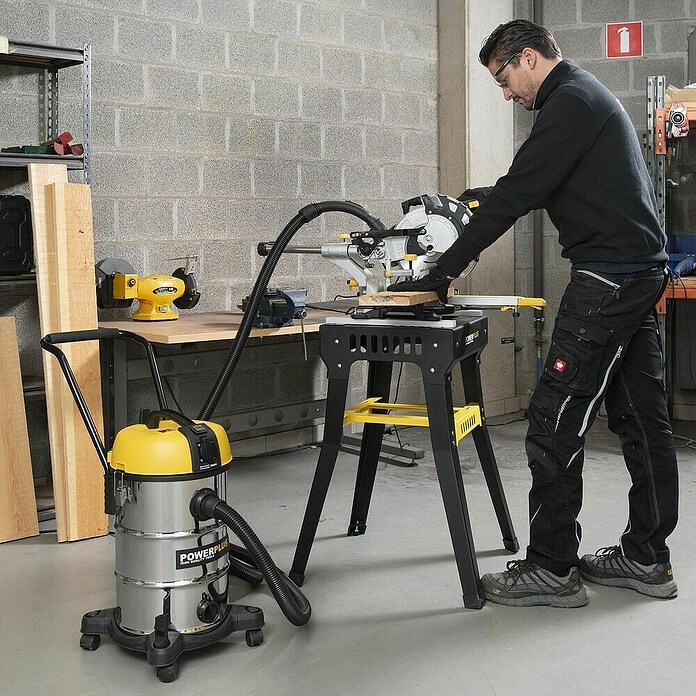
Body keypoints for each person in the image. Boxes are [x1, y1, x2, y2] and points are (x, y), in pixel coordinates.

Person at [389, 19, 679, 607]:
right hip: (638, 274)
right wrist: (480, 201)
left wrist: (439, 273)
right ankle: (648, 558)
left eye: (503, 79)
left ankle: (551, 566)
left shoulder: (569, 103)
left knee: (552, 418)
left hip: (608, 281)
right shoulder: (583, 97)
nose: (505, 94)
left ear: (527, 58)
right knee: (641, 421)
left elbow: (516, 196)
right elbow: (526, 187)